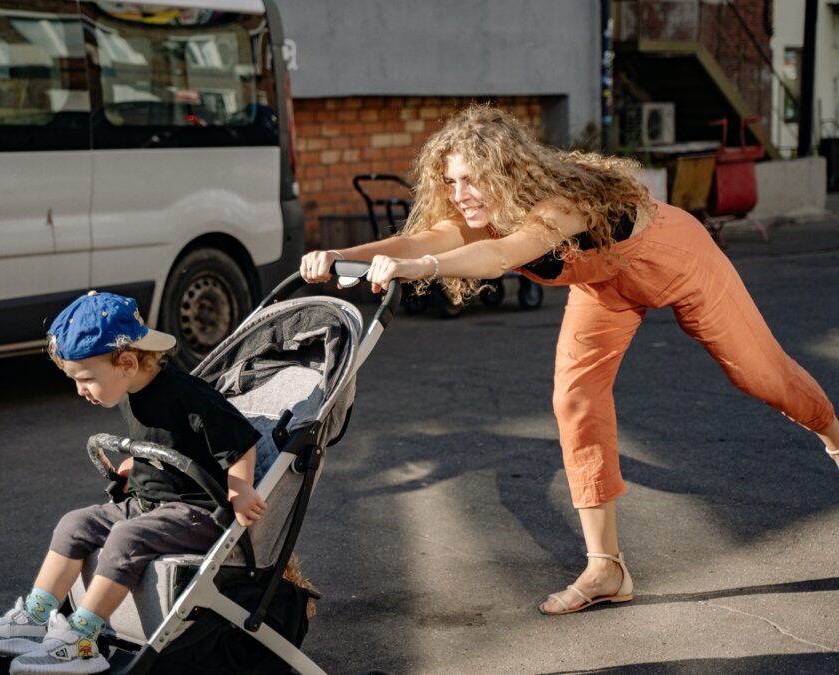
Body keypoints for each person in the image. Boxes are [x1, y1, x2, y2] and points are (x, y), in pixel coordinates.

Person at [301, 104, 839, 616]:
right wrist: (343, 256)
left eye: (469, 179)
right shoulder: (480, 210)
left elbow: (501, 256)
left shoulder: (560, 201)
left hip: (676, 258)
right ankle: (606, 569)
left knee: (759, 376)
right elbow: (424, 236)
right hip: (604, 284)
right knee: (575, 398)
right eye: (450, 181)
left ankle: (834, 432)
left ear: (505, 170)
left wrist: (424, 267)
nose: (459, 194)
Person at [0, 291, 266, 672]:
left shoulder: (187, 395)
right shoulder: (130, 387)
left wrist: (240, 489)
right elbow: (167, 440)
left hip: (196, 511)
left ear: (127, 362)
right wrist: (135, 462)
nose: (80, 390)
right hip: (149, 502)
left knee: (125, 537)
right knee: (75, 523)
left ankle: (82, 639)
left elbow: (240, 442)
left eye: (85, 379)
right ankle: (35, 619)